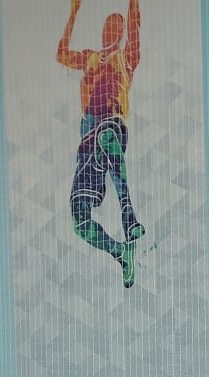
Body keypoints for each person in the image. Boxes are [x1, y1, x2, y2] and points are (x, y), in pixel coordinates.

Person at [57, 0, 143, 289]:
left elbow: (135, 23)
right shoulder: (90, 58)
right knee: (80, 221)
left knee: (107, 134)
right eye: (108, 26)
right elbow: (61, 54)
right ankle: (120, 253)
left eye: (117, 27)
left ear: (121, 33)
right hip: (87, 140)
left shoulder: (126, 59)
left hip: (112, 126)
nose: (111, 30)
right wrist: (73, 12)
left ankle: (128, 215)